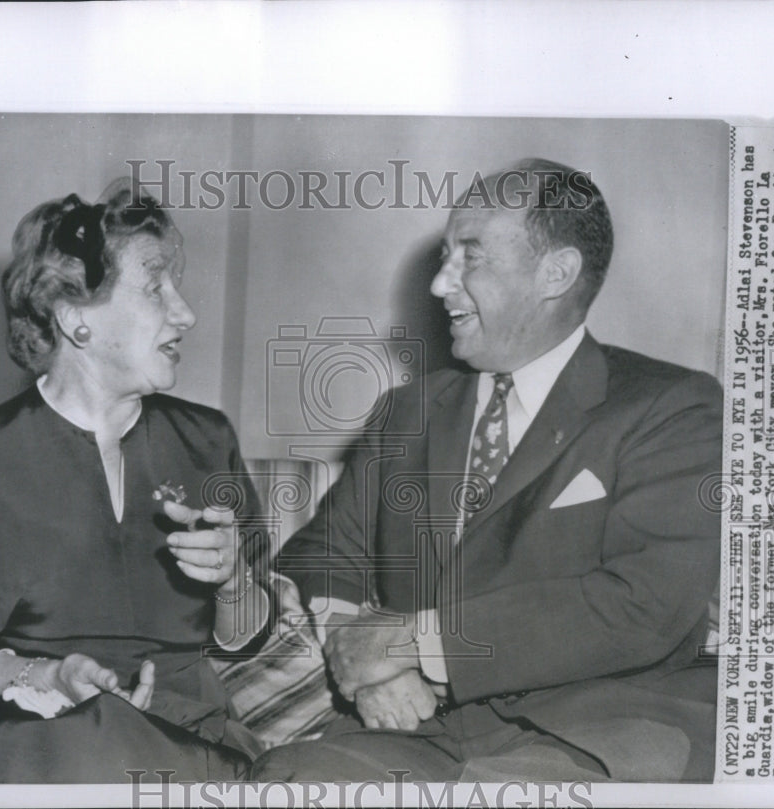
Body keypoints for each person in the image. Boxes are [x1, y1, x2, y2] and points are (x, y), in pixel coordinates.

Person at [254, 158, 723, 783]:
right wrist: (361, 660)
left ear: (555, 273)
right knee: (282, 782)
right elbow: (321, 554)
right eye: (445, 255)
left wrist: (418, 645)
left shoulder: (672, 406)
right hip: (420, 729)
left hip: (600, 729)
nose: (440, 284)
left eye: (470, 257)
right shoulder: (408, 412)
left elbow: (645, 605)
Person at [0, 180, 269, 782]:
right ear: (77, 318)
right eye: (156, 287)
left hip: (188, 736)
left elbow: (246, 641)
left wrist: (234, 580)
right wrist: (41, 677)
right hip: (35, 738)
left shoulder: (209, 441)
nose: (186, 312)